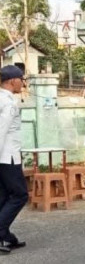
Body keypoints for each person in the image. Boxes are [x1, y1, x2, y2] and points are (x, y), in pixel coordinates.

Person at [0, 66, 28, 254]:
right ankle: (0, 232)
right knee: (19, 195)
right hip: (7, 156)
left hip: (4, 156)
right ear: (12, 81)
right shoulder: (8, 103)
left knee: (3, 197)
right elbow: (1, 131)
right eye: (21, 79)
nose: (22, 82)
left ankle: (6, 238)